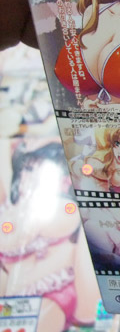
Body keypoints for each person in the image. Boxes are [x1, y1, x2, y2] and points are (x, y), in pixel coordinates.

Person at [0, 141, 98, 331]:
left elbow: (13, 238)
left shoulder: (64, 209)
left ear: (64, 181)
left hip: (51, 295)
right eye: (26, 169)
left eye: (32, 170)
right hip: (15, 298)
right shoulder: (17, 208)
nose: (26, 175)